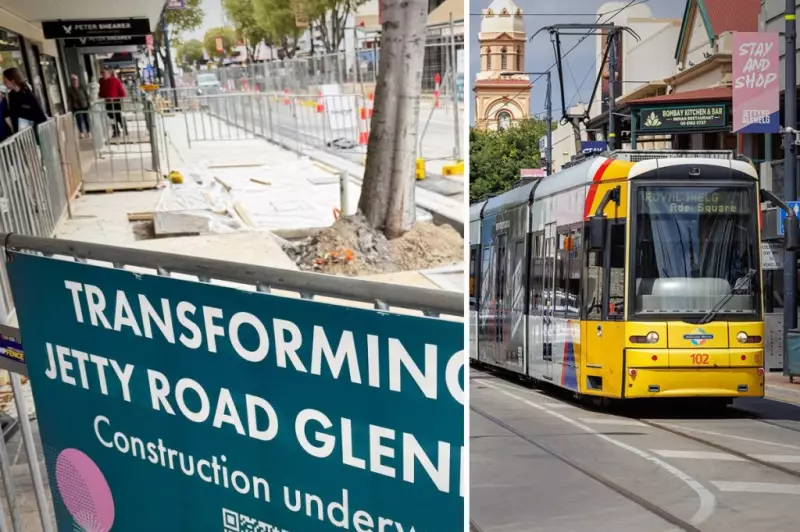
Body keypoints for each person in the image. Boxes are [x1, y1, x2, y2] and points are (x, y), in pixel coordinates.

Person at [2, 67, 47, 140]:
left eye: (5, 80)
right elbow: (7, 115)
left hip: (33, 137)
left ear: (12, 80)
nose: (3, 82)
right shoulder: (9, 97)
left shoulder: (29, 95)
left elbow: (41, 117)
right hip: (19, 138)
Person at [98, 68, 127, 137]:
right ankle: (116, 131)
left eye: (104, 73)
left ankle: (124, 128)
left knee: (118, 116)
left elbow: (121, 91)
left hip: (116, 101)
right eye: (102, 73)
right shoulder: (101, 81)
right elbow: (101, 91)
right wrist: (100, 96)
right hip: (107, 102)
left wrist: (122, 98)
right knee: (111, 117)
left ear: (109, 73)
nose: (103, 75)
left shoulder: (115, 80)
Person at [66, 74, 91, 139]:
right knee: (79, 120)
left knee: (86, 119)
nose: (74, 81)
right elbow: (69, 99)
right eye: (73, 80)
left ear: (78, 80)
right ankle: (81, 132)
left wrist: (88, 104)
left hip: (84, 105)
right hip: (76, 106)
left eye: (75, 80)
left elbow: (86, 95)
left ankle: (88, 132)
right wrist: (69, 108)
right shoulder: (69, 89)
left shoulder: (81, 86)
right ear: (71, 81)